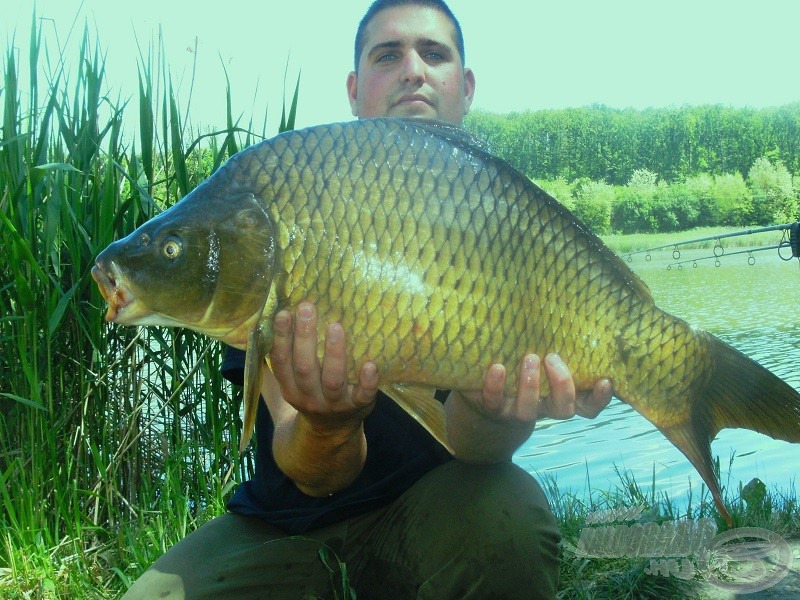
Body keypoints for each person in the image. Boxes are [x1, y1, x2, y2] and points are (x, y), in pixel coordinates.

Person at [123, 1, 613, 598]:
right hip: (286, 529)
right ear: (355, 90)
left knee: (509, 510)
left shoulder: (496, 223)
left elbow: (472, 447)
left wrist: (491, 410)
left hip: (436, 514)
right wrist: (328, 426)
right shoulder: (287, 198)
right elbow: (305, 467)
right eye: (388, 55)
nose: (413, 70)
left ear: (467, 86)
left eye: (435, 53)